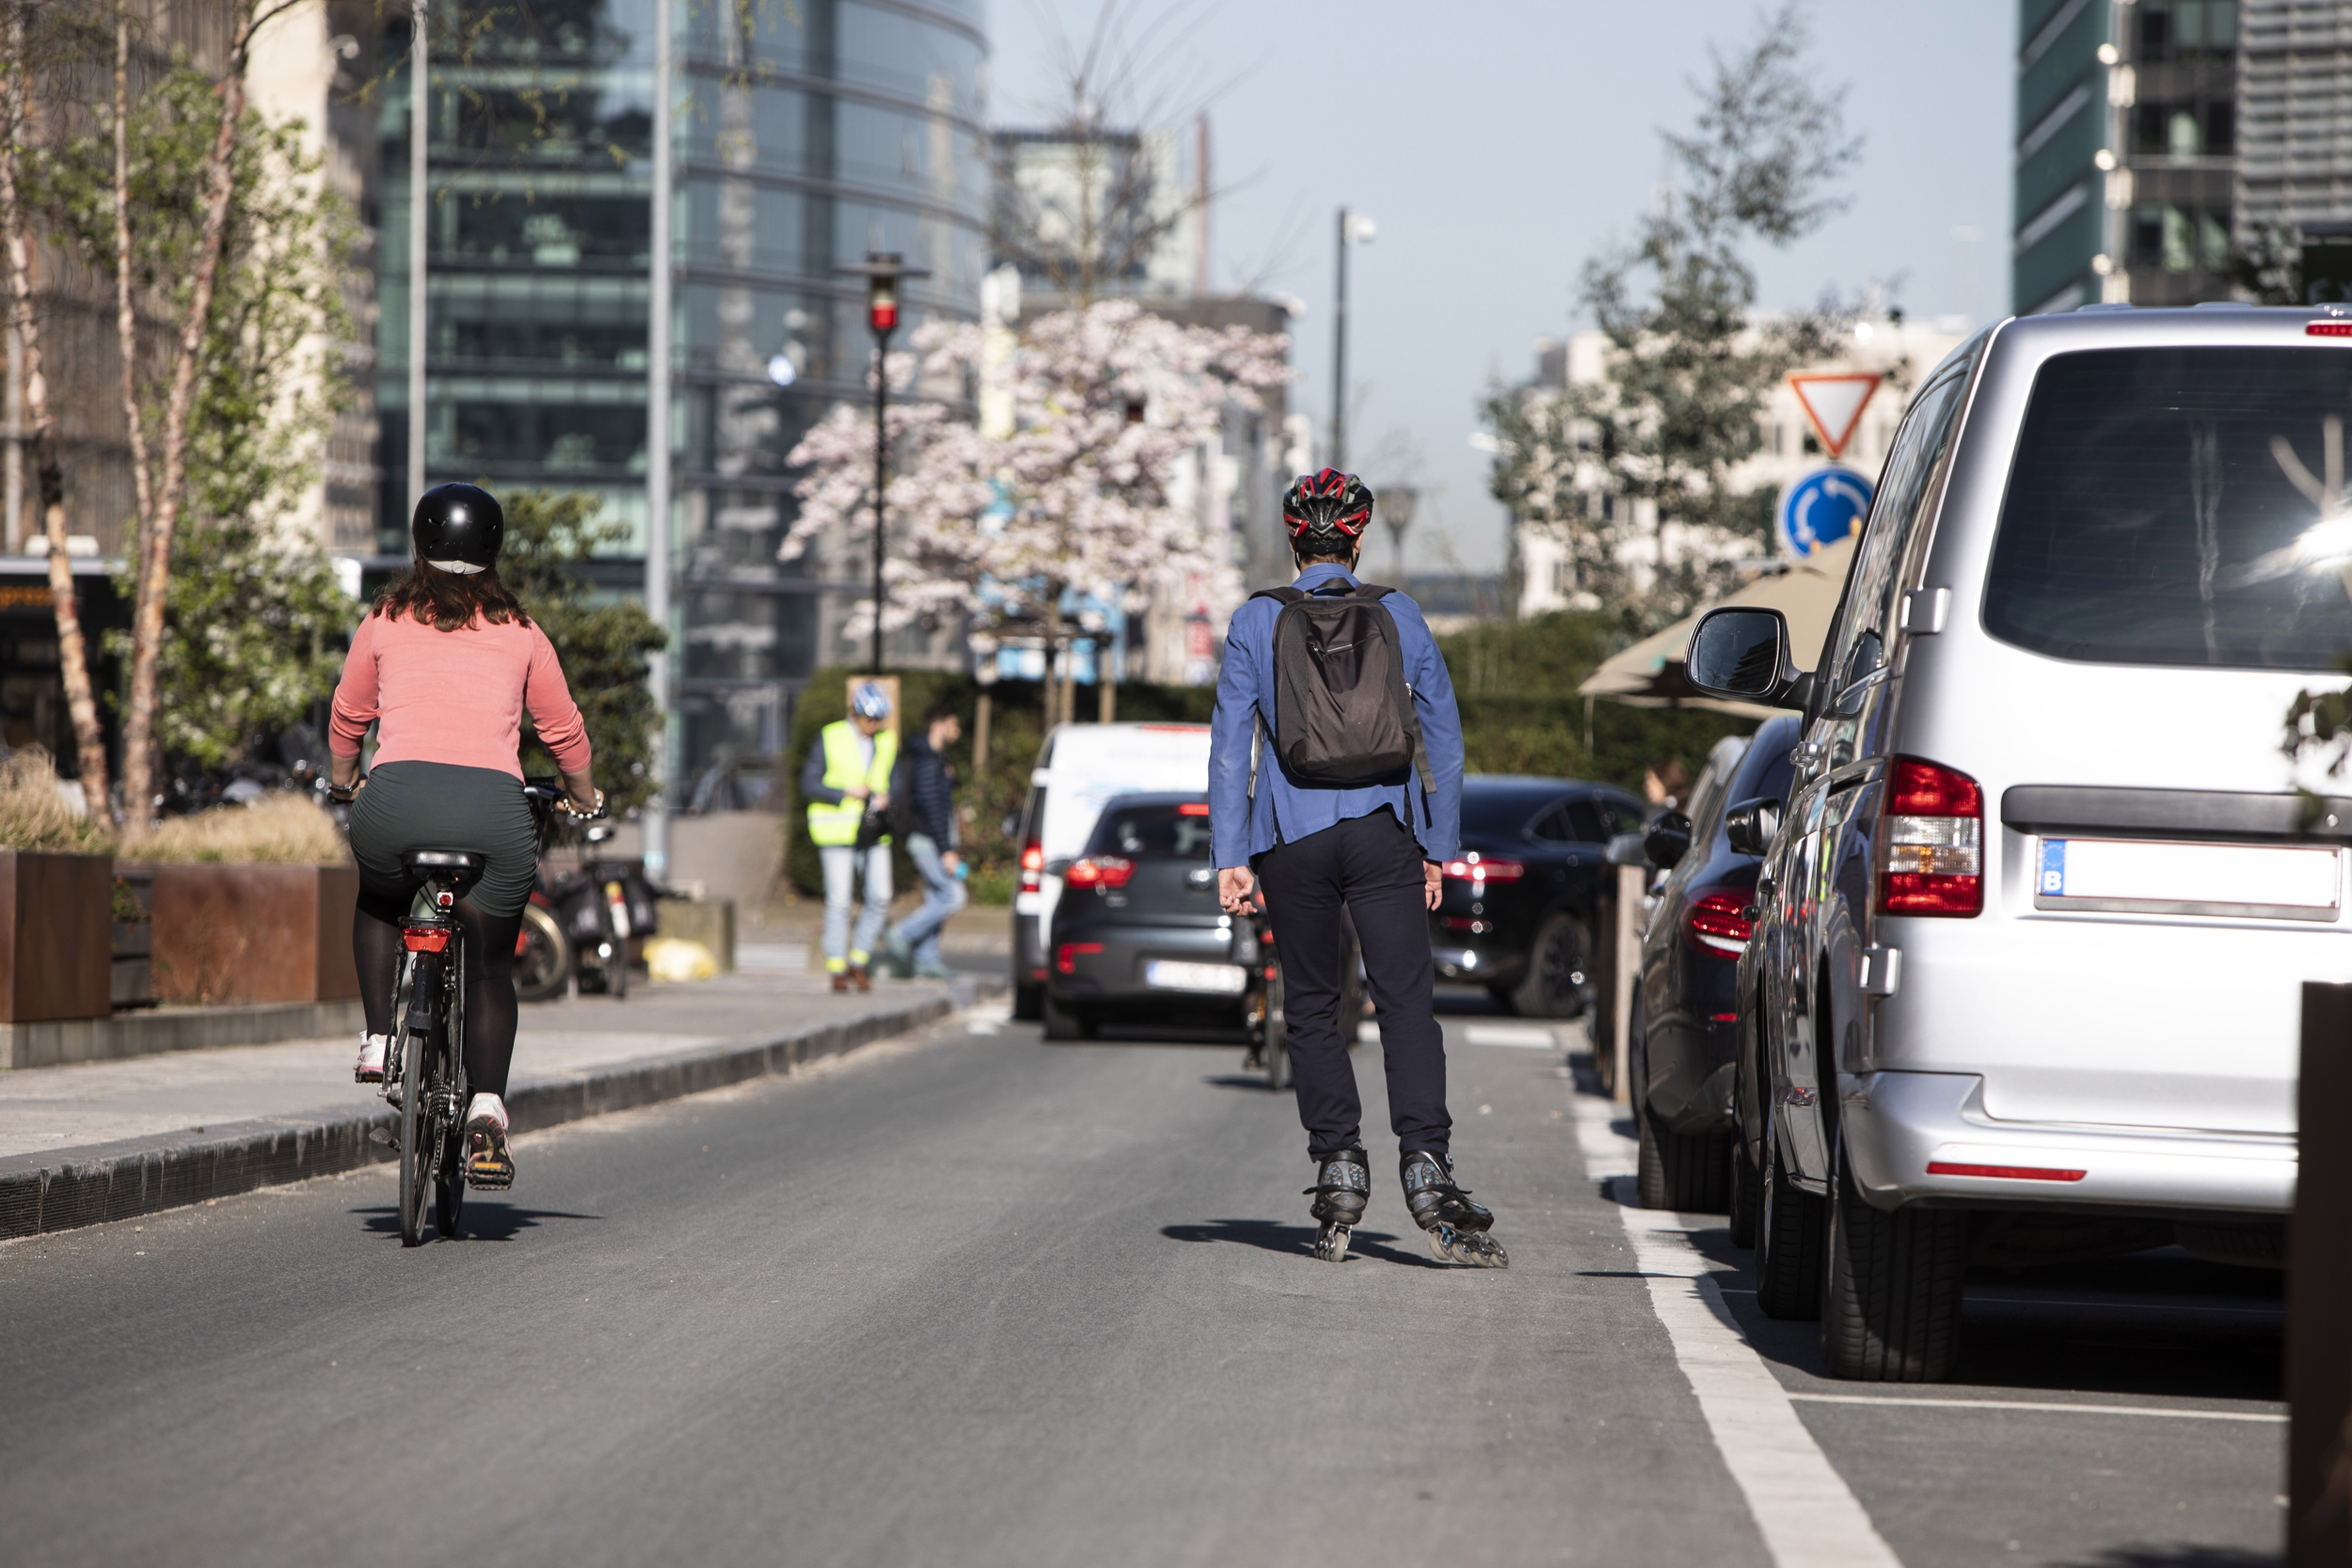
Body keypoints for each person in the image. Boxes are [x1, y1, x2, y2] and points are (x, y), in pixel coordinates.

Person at [1207, 468, 1505, 1269]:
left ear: (1292, 537)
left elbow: (1231, 744)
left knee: (1309, 1004)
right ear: (1359, 537)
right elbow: (1443, 738)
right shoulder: (1400, 613)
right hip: (1384, 834)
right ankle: (1426, 1161)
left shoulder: (1254, 619)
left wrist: (1231, 855)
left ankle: (1338, 1163)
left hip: (1291, 840)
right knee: (1404, 1000)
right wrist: (1437, 847)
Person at [328, 483, 603, 1190]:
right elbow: (563, 729)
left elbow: (349, 713)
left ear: (421, 543)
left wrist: (341, 780)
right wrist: (582, 794)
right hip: (494, 816)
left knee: (380, 899)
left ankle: (379, 1037)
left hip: (394, 805)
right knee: (487, 968)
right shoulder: (521, 632)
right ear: (494, 548)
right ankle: (485, 1108)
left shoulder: (385, 617)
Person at [803, 682, 897, 991]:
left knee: (880, 897)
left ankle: (859, 959)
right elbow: (809, 783)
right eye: (869, 719)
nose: (873, 726)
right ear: (855, 713)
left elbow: (894, 778)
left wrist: (887, 796)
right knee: (840, 901)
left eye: (878, 720)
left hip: (873, 830)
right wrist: (845, 792)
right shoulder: (830, 736)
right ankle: (837, 967)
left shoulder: (887, 740)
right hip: (837, 830)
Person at [882, 702, 966, 981]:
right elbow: (932, 808)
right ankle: (901, 933)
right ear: (937, 725)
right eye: (953, 725)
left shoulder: (935, 759)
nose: (957, 731)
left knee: (935, 895)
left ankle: (927, 959)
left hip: (931, 840)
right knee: (954, 896)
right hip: (927, 841)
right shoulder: (929, 762)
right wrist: (947, 850)